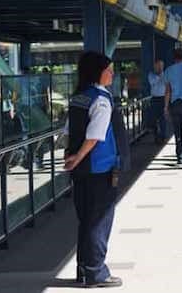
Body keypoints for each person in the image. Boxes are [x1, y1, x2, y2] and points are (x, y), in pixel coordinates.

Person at [63, 51, 124, 288]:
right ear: (98, 72)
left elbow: (69, 131)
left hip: (81, 170)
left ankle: (84, 269)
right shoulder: (101, 100)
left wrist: (71, 157)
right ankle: (96, 272)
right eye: (109, 70)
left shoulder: (79, 97)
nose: (112, 74)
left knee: (86, 219)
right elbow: (95, 136)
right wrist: (78, 157)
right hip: (99, 167)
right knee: (99, 220)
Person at [147, 59, 168, 144]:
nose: (160, 68)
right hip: (155, 99)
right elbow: (153, 82)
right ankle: (156, 135)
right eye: (158, 66)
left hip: (163, 98)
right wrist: (159, 76)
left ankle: (163, 136)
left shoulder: (166, 75)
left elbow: (166, 83)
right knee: (154, 119)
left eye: (161, 66)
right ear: (155, 66)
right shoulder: (151, 75)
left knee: (163, 119)